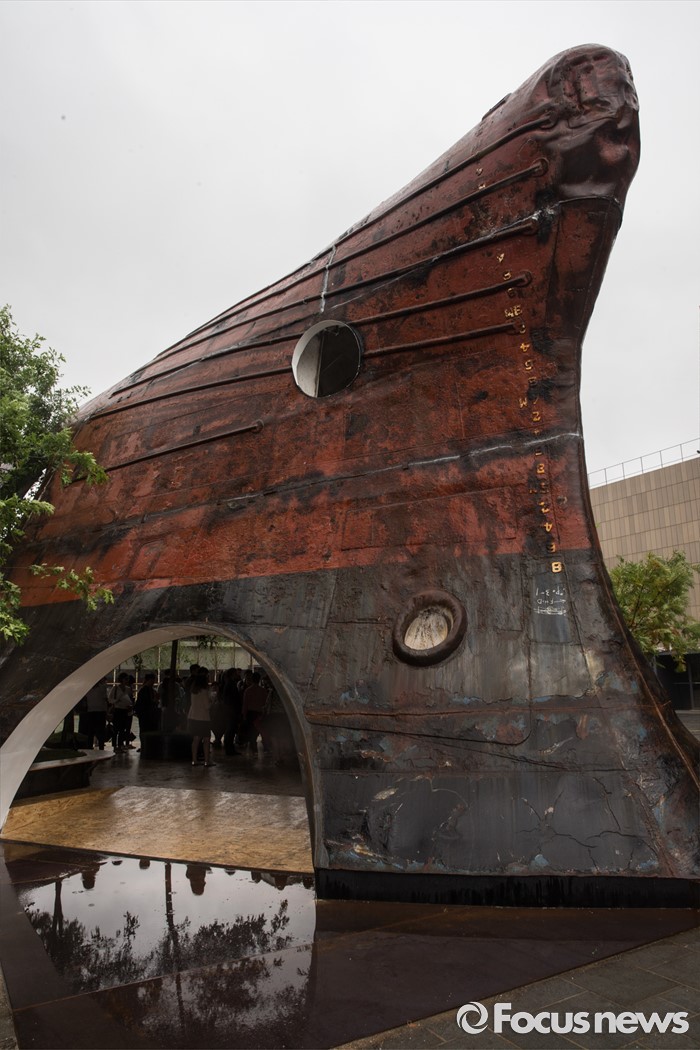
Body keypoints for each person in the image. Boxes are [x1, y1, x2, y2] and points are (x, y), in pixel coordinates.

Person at [187, 667, 213, 766]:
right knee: (206, 739)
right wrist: (212, 700)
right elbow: (207, 706)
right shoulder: (204, 691)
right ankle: (207, 761)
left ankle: (194, 760)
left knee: (196, 739)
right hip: (203, 718)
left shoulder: (193, 691)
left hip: (193, 717)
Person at [109, 673, 134, 752]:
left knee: (122, 729)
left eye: (127, 679)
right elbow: (110, 699)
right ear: (121, 679)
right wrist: (117, 701)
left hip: (125, 710)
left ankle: (120, 746)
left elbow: (130, 700)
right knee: (116, 729)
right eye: (125, 679)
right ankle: (114, 746)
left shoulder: (128, 689)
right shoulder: (115, 688)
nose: (127, 681)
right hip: (117, 710)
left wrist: (130, 706)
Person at [84, 678, 109, 749]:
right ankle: (99, 747)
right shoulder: (102, 687)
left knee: (92, 731)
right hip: (99, 711)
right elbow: (105, 699)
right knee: (98, 731)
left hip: (93, 711)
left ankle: (92, 747)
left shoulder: (88, 688)